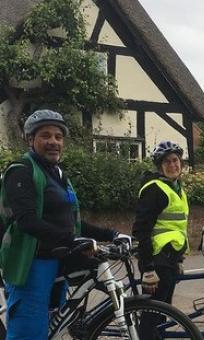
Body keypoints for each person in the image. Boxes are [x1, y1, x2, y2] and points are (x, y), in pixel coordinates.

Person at [0, 109, 129, 339]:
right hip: (31, 263)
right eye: (46, 136)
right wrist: (73, 240)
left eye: (58, 137)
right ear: (31, 140)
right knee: (28, 334)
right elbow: (27, 221)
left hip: (57, 260)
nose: (53, 142)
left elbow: (73, 222)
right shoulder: (21, 171)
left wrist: (112, 233)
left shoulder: (58, 176)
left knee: (50, 328)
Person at [131, 140, 189, 337]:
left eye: (175, 161)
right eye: (167, 162)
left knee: (162, 314)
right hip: (156, 260)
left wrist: (178, 259)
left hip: (169, 259)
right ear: (160, 166)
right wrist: (147, 268)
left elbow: (176, 227)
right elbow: (141, 230)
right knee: (152, 317)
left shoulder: (176, 188)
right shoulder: (154, 189)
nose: (173, 165)